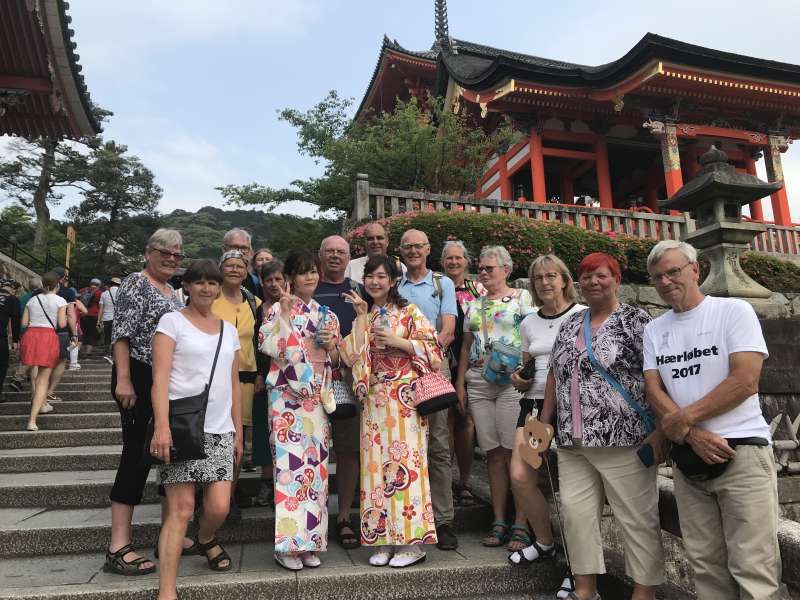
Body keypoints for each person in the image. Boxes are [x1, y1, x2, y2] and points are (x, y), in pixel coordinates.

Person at [643, 240, 780, 600]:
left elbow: (745, 380)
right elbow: (653, 388)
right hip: (689, 460)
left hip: (742, 451)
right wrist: (690, 435)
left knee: (754, 568)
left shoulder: (733, 311)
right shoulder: (655, 330)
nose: (666, 281)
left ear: (695, 270)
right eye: (658, 276)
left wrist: (684, 421)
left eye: (674, 271)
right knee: (704, 565)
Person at [539, 252, 664, 600]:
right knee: (576, 517)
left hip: (625, 439)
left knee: (637, 520)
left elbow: (657, 377)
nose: (593, 282)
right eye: (587, 276)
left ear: (617, 279)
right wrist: (543, 423)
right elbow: (554, 375)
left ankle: (644, 591)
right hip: (573, 442)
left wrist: (662, 430)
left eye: (601, 275)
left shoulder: (636, 321)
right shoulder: (570, 323)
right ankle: (584, 588)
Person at [340, 255, 441, 568]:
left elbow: (434, 350)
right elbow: (349, 356)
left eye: (382, 276)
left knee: (405, 465)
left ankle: (412, 542)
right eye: (370, 276)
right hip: (373, 400)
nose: (375, 282)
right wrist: (358, 318)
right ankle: (383, 539)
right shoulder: (365, 314)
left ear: (394, 280)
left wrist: (401, 341)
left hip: (405, 398)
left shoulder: (409, 312)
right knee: (374, 469)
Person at [150, 259, 242, 600]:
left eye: (213, 282)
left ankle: (205, 539)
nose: (207, 288)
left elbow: (232, 384)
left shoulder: (228, 330)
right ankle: (167, 590)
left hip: (220, 428)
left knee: (219, 507)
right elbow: (159, 379)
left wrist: (238, 432)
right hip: (181, 426)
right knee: (181, 509)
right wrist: (161, 428)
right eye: (199, 282)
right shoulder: (171, 322)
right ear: (186, 286)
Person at [104, 229, 185, 577]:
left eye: (177, 255)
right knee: (135, 455)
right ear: (148, 252)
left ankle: (172, 534)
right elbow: (121, 333)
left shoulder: (172, 291)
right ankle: (118, 545)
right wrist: (123, 378)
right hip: (137, 374)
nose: (170, 258)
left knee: (166, 455)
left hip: (163, 381)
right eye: (163, 252)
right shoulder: (136, 284)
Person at [508, 255, 584, 599]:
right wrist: (519, 380)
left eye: (551, 275)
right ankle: (545, 541)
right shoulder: (528, 323)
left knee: (573, 494)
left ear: (564, 279)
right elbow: (528, 367)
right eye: (538, 277)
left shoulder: (582, 316)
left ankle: (577, 567)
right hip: (534, 409)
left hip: (573, 408)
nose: (544, 282)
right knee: (521, 477)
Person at [259, 250, 339, 571]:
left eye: (313, 272)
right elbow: (270, 344)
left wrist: (331, 345)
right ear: (290, 277)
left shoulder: (325, 312)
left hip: (316, 399)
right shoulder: (278, 308)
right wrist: (285, 320)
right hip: (287, 399)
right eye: (303, 272)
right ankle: (288, 545)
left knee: (316, 473)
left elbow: (336, 356)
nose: (311, 277)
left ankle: (310, 543)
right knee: (289, 470)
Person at [455, 246, 534, 550]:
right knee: (493, 454)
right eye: (482, 268)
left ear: (506, 269)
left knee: (516, 452)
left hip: (511, 381)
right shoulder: (473, 306)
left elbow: (530, 337)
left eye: (490, 268)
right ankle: (499, 519)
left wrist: (526, 371)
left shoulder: (521, 299)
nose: (484, 273)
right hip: (479, 381)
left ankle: (522, 522)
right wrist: (460, 382)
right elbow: (465, 345)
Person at [397, 228, 459, 551]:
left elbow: (448, 331)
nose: (413, 251)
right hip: (398, 375)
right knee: (405, 445)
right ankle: (410, 516)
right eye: (407, 246)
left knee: (437, 442)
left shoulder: (442, 284)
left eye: (418, 246)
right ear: (401, 251)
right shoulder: (395, 285)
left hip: (433, 368)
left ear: (428, 248)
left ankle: (443, 519)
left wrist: (421, 355)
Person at [313, 235, 362, 550]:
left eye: (340, 252)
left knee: (347, 450)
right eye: (329, 251)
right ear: (320, 256)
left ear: (348, 257)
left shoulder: (358, 290)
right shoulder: (308, 287)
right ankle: (314, 518)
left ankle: (343, 515)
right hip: (311, 382)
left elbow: (365, 330)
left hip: (346, 380)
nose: (335, 256)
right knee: (312, 453)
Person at [211, 250, 263, 519]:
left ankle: (228, 496)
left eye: (239, 266)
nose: (234, 270)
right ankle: (210, 496)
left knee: (238, 439)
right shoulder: (210, 297)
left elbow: (260, 340)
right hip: (212, 380)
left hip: (244, 378)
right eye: (228, 265)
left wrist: (260, 375)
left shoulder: (254, 302)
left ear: (247, 271)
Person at [441, 240, 484, 507]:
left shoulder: (477, 290)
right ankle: (445, 482)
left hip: (470, 360)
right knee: (444, 424)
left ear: (467, 261)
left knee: (466, 421)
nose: (454, 262)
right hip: (444, 360)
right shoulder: (437, 288)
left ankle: (466, 481)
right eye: (449, 258)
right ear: (442, 261)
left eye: (459, 258)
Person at [250, 259, 285, 507]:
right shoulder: (258, 309)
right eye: (269, 279)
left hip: (290, 381)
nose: (274, 284)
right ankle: (265, 481)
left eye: (278, 279)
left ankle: (283, 484)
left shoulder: (294, 307)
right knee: (264, 431)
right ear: (262, 282)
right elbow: (254, 344)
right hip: (264, 377)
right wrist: (258, 374)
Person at [19, 271, 67, 430]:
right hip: (47, 337)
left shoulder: (33, 299)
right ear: (57, 285)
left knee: (34, 369)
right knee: (43, 380)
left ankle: (39, 405)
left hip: (31, 335)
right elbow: (62, 324)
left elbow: (24, 323)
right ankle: (32, 421)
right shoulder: (60, 300)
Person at [9, 277, 42, 392]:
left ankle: (26, 377)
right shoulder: (39, 298)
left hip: (22, 331)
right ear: (40, 286)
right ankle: (17, 378)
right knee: (31, 356)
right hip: (36, 330)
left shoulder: (21, 298)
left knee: (28, 354)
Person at [222, 228, 262, 300]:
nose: (239, 252)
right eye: (234, 247)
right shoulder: (211, 277)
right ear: (224, 249)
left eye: (244, 248)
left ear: (250, 251)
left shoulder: (255, 282)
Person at [0, 278, 21, 399]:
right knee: (2, 364)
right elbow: (15, 320)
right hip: (0, 335)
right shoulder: (13, 299)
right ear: (14, 289)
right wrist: (15, 340)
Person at [98, 277, 121, 364]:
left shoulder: (104, 294)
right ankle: (114, 356)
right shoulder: (122, 292)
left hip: (107, 318)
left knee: (107, 337)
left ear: (111, 283)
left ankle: (108, 354)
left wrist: (98, 321)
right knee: (117, 338)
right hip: (118, 319)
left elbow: (101, 309)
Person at [79, 278, 103, 358]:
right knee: (92, 334)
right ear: (99, 285)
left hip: (82, 314)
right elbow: (101, 306)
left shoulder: (82, 290)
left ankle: (81, 351)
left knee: (83, 333)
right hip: (94, 315)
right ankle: (88, 353)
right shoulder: (99, 293)